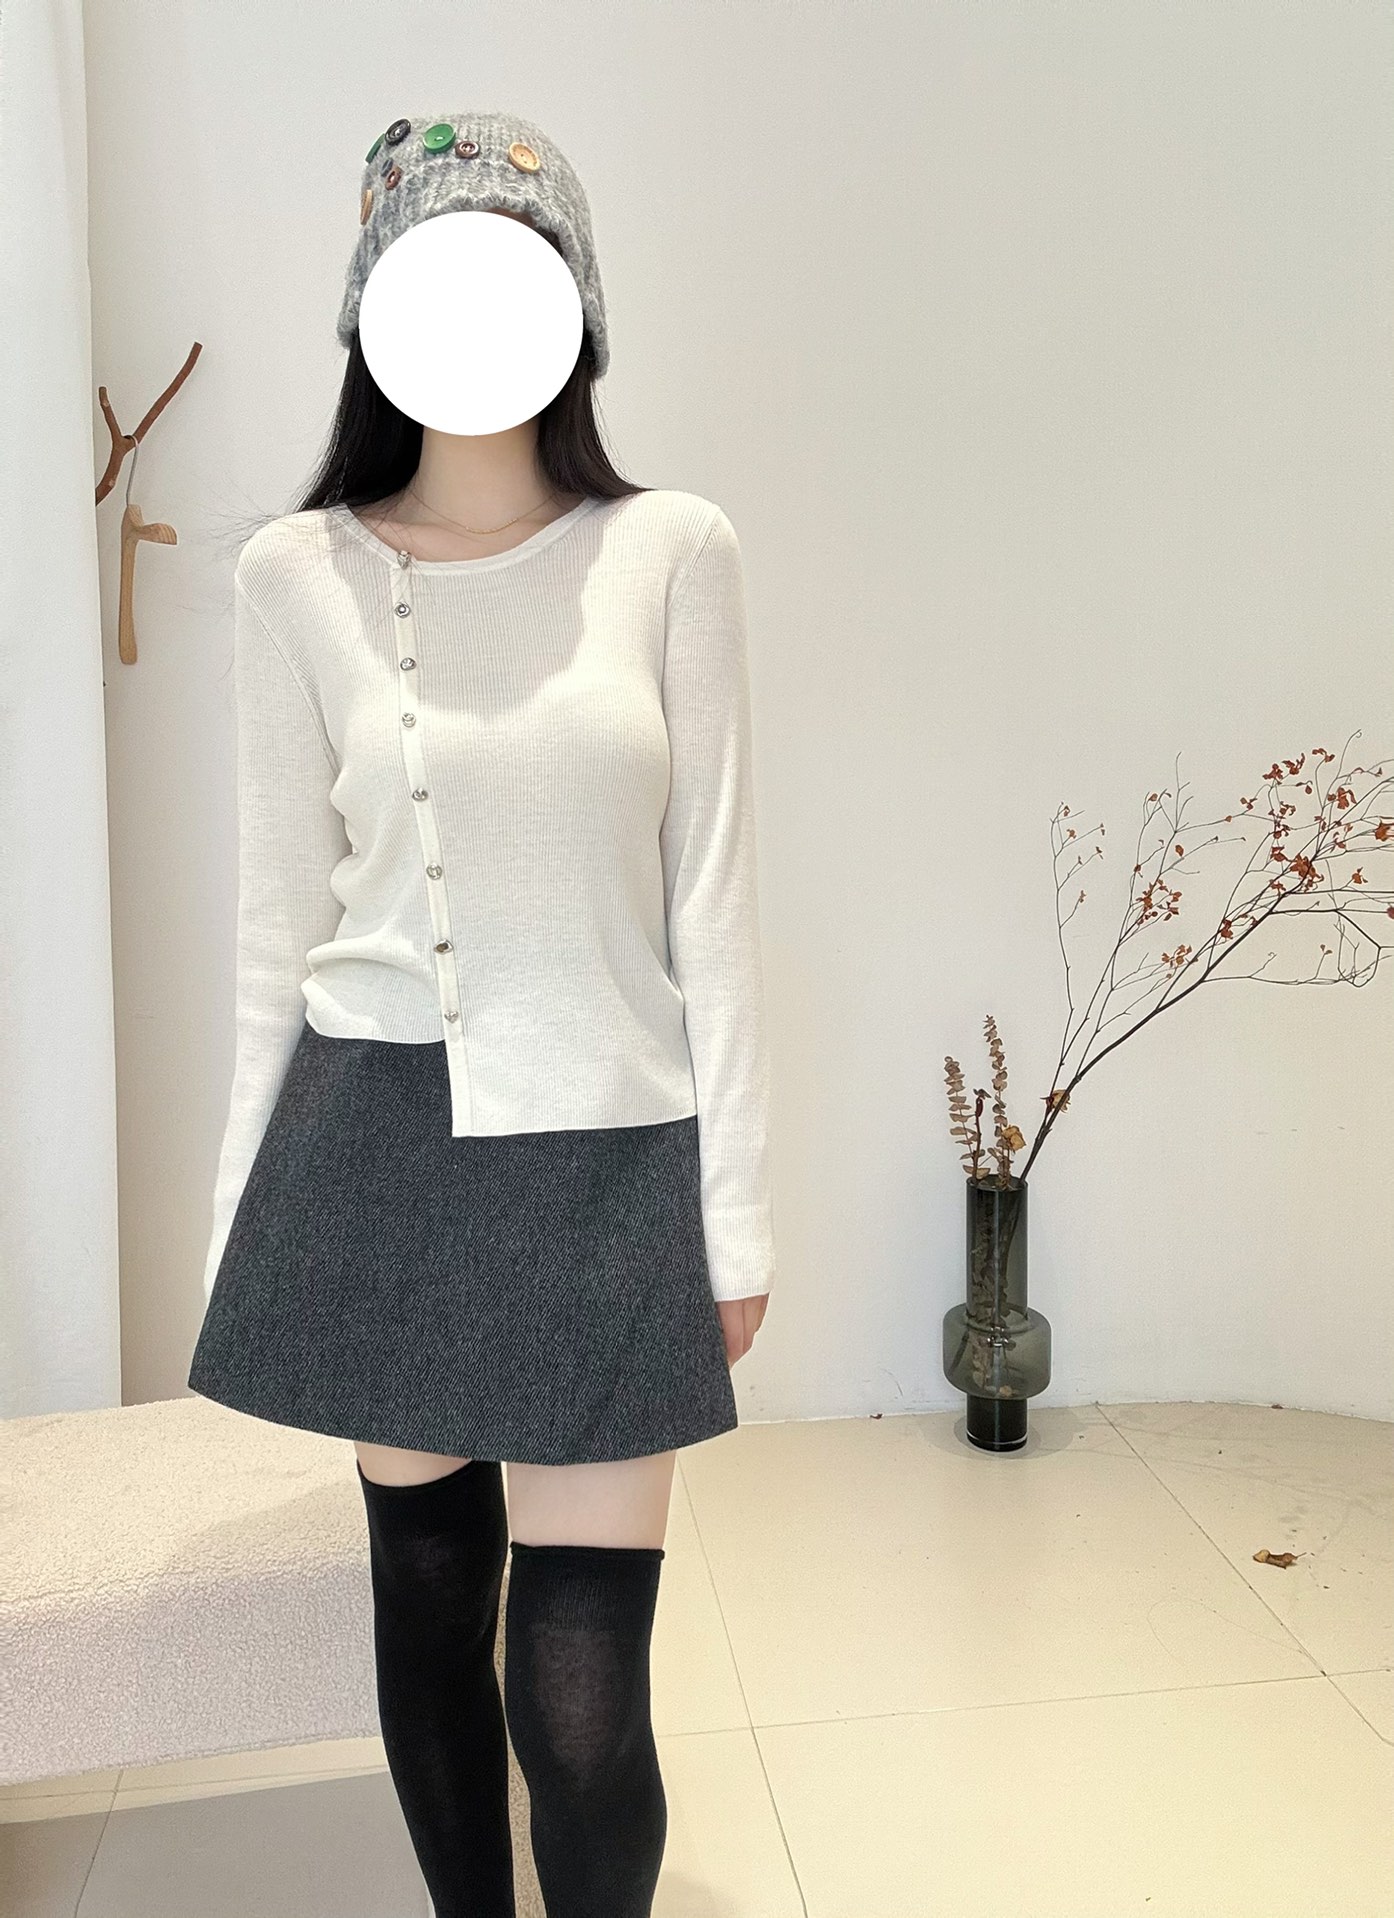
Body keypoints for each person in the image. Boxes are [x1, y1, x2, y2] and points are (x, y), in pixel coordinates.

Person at [187, 110, 776, 1918]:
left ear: (573, 306)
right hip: (371, 1148)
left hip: (606, 1157)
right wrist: (237, 1219)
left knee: (583, 1707)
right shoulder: (294, 575)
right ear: (371, 315)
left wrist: (734, 1211)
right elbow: (275, 927)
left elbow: (714, 901)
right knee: (430, 1624)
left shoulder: (671, 550)